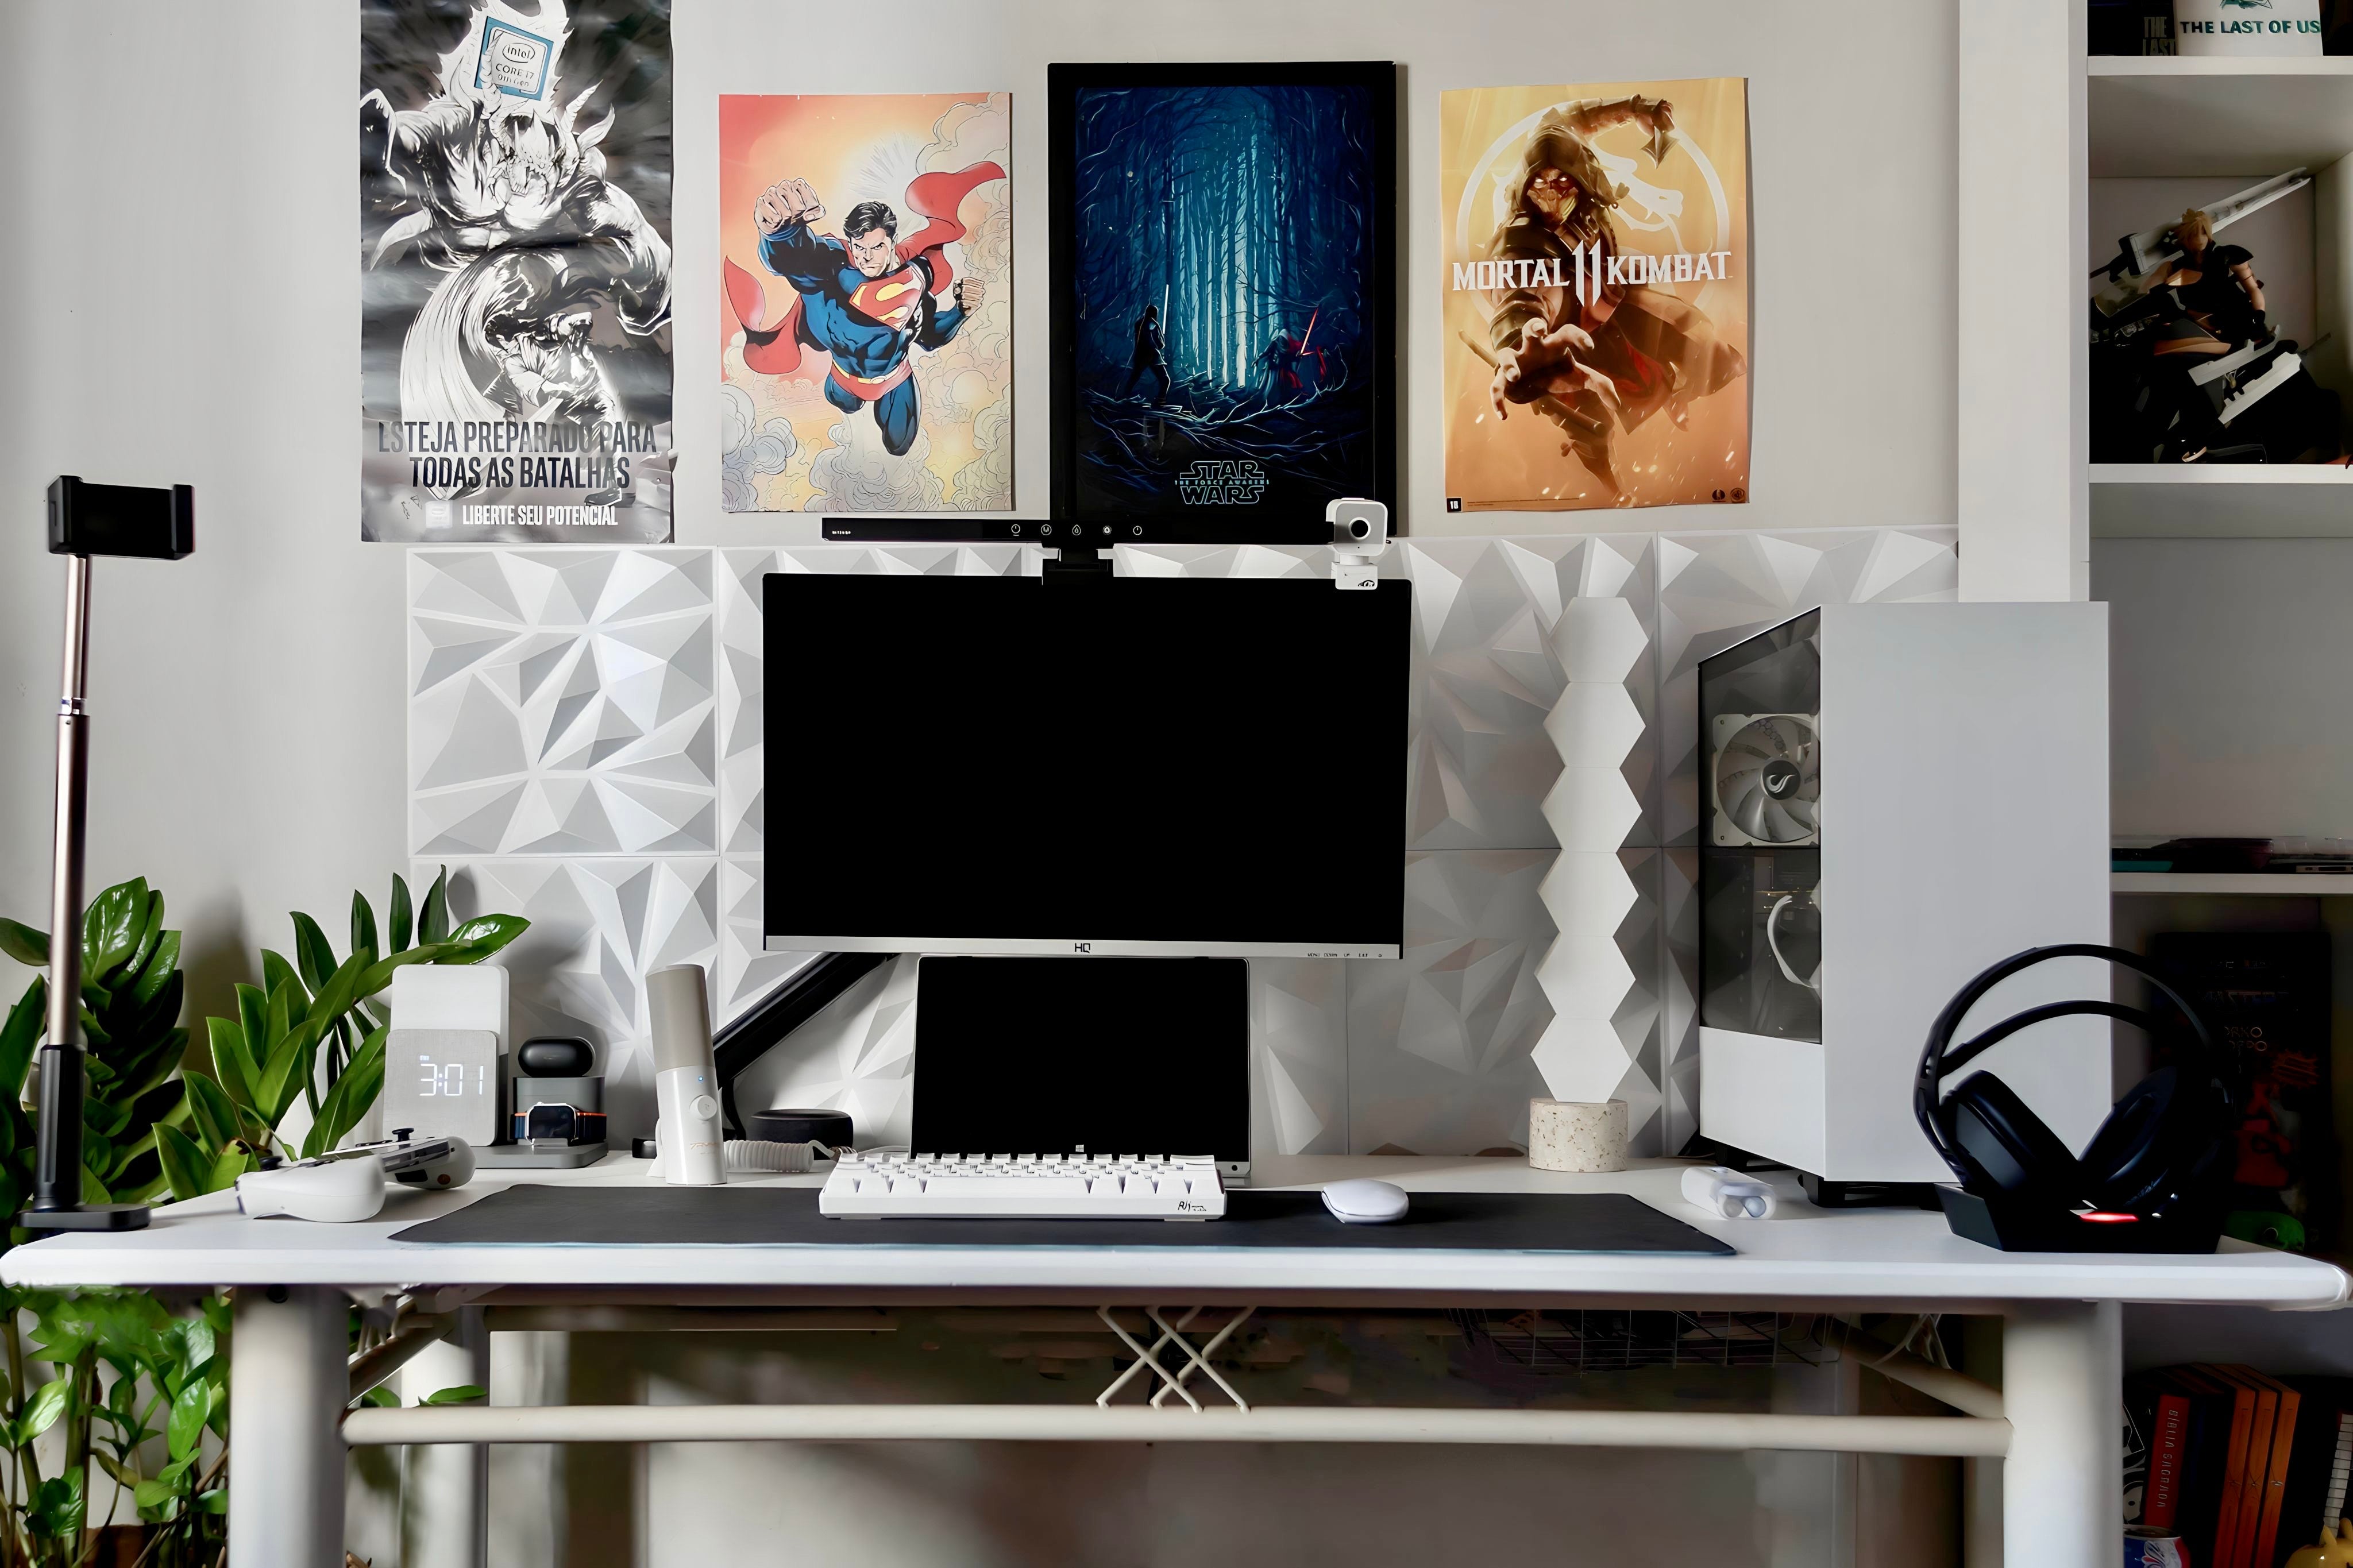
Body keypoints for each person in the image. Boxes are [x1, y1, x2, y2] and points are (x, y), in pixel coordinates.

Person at [1483, 96, 1745, 496]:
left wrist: (1635, 109)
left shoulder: (1564, 150)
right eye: (1540, 184)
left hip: (1608, 296)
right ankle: (1610, 485)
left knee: (1703, 345)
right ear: (1525, 184)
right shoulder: (1523, 238)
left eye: (1561, 182)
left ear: (1580, 176)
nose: (1550, 196)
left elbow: (1579, 118)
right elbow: (1523, 288)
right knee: (1588, 424)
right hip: (1569, 335)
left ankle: (1676, 389)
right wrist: (1518, 341)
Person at [749, 172, 992, 457]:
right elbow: (801, 262)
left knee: (899, 445)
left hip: (894, 378)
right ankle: (849, 401)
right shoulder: (835, 272)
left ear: (892, 241)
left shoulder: (914, 280)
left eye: (876, 247)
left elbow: (930, 336)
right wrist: (783, 234)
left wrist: (961, 311)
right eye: (859, 247)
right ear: (850, 245)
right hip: (842, 377)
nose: (867, 257)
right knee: (844, 403)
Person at [2151, 207, 2267, 347]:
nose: (2200, 238)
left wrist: (2259, 315)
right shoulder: (2176, 267)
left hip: (2239, 316)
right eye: (2194, 233)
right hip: (2202, 327)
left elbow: (2253, 288)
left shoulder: (2225, 255)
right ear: (2185, 237)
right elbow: (2150, 291)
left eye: (2204, 232)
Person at [1121, 304, 1171, 402]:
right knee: (1165, 380)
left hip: (1141, 355)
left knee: (1134, 378)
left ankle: (1124, 397)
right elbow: (1161, 344)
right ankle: (1160, 402)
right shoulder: (1152, 323)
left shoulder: (1139, 323)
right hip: (1152, 355)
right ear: (1155, 314)